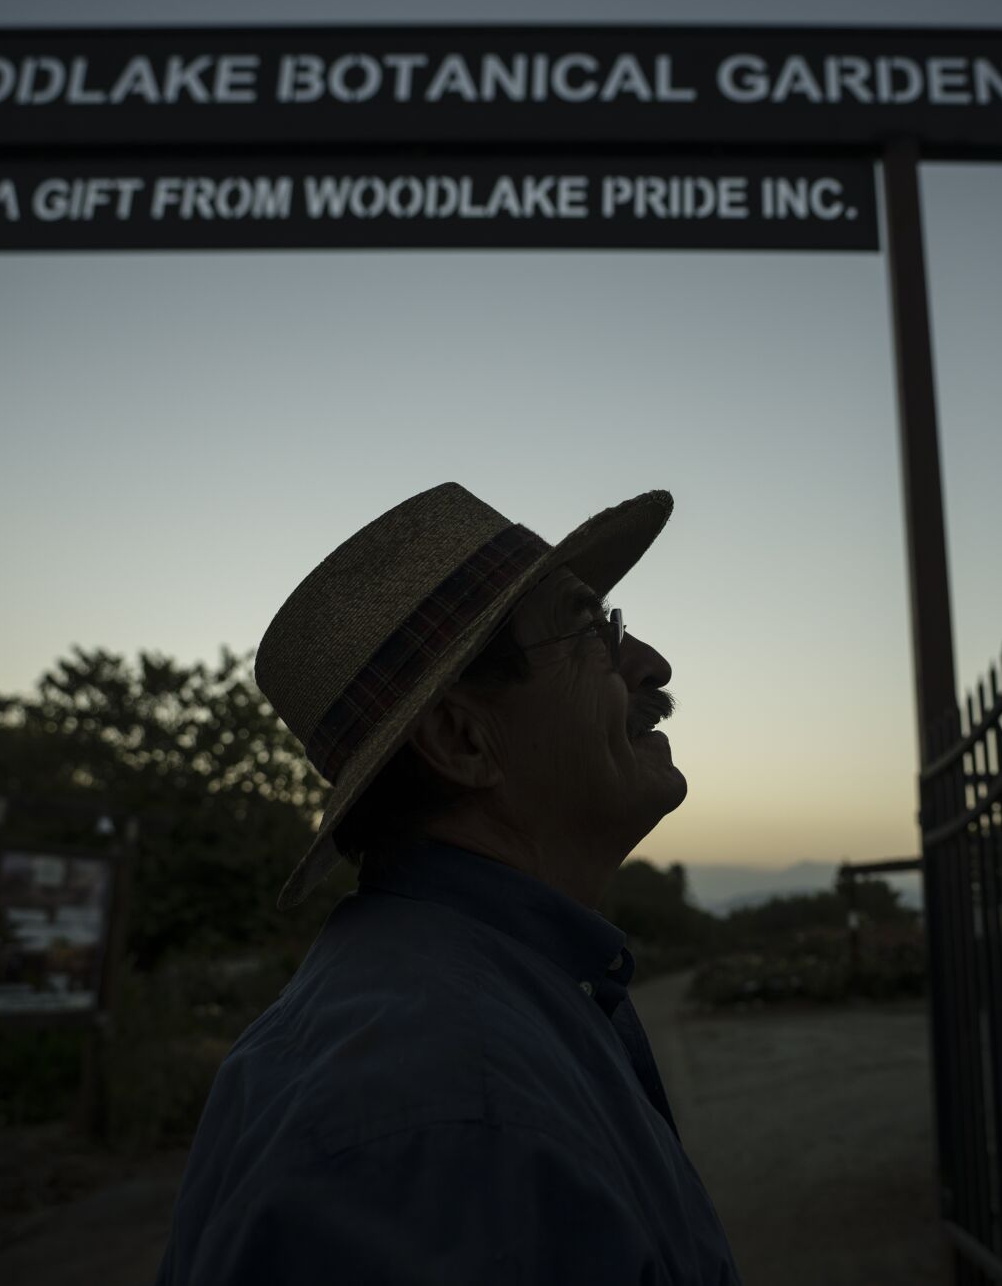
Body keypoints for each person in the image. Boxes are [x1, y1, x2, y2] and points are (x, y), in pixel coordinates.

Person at [153, 482, 742, 1284]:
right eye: (589, 633)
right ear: (464, 739)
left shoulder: (476, 1009)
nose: (648, 663)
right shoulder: (454, 1122)